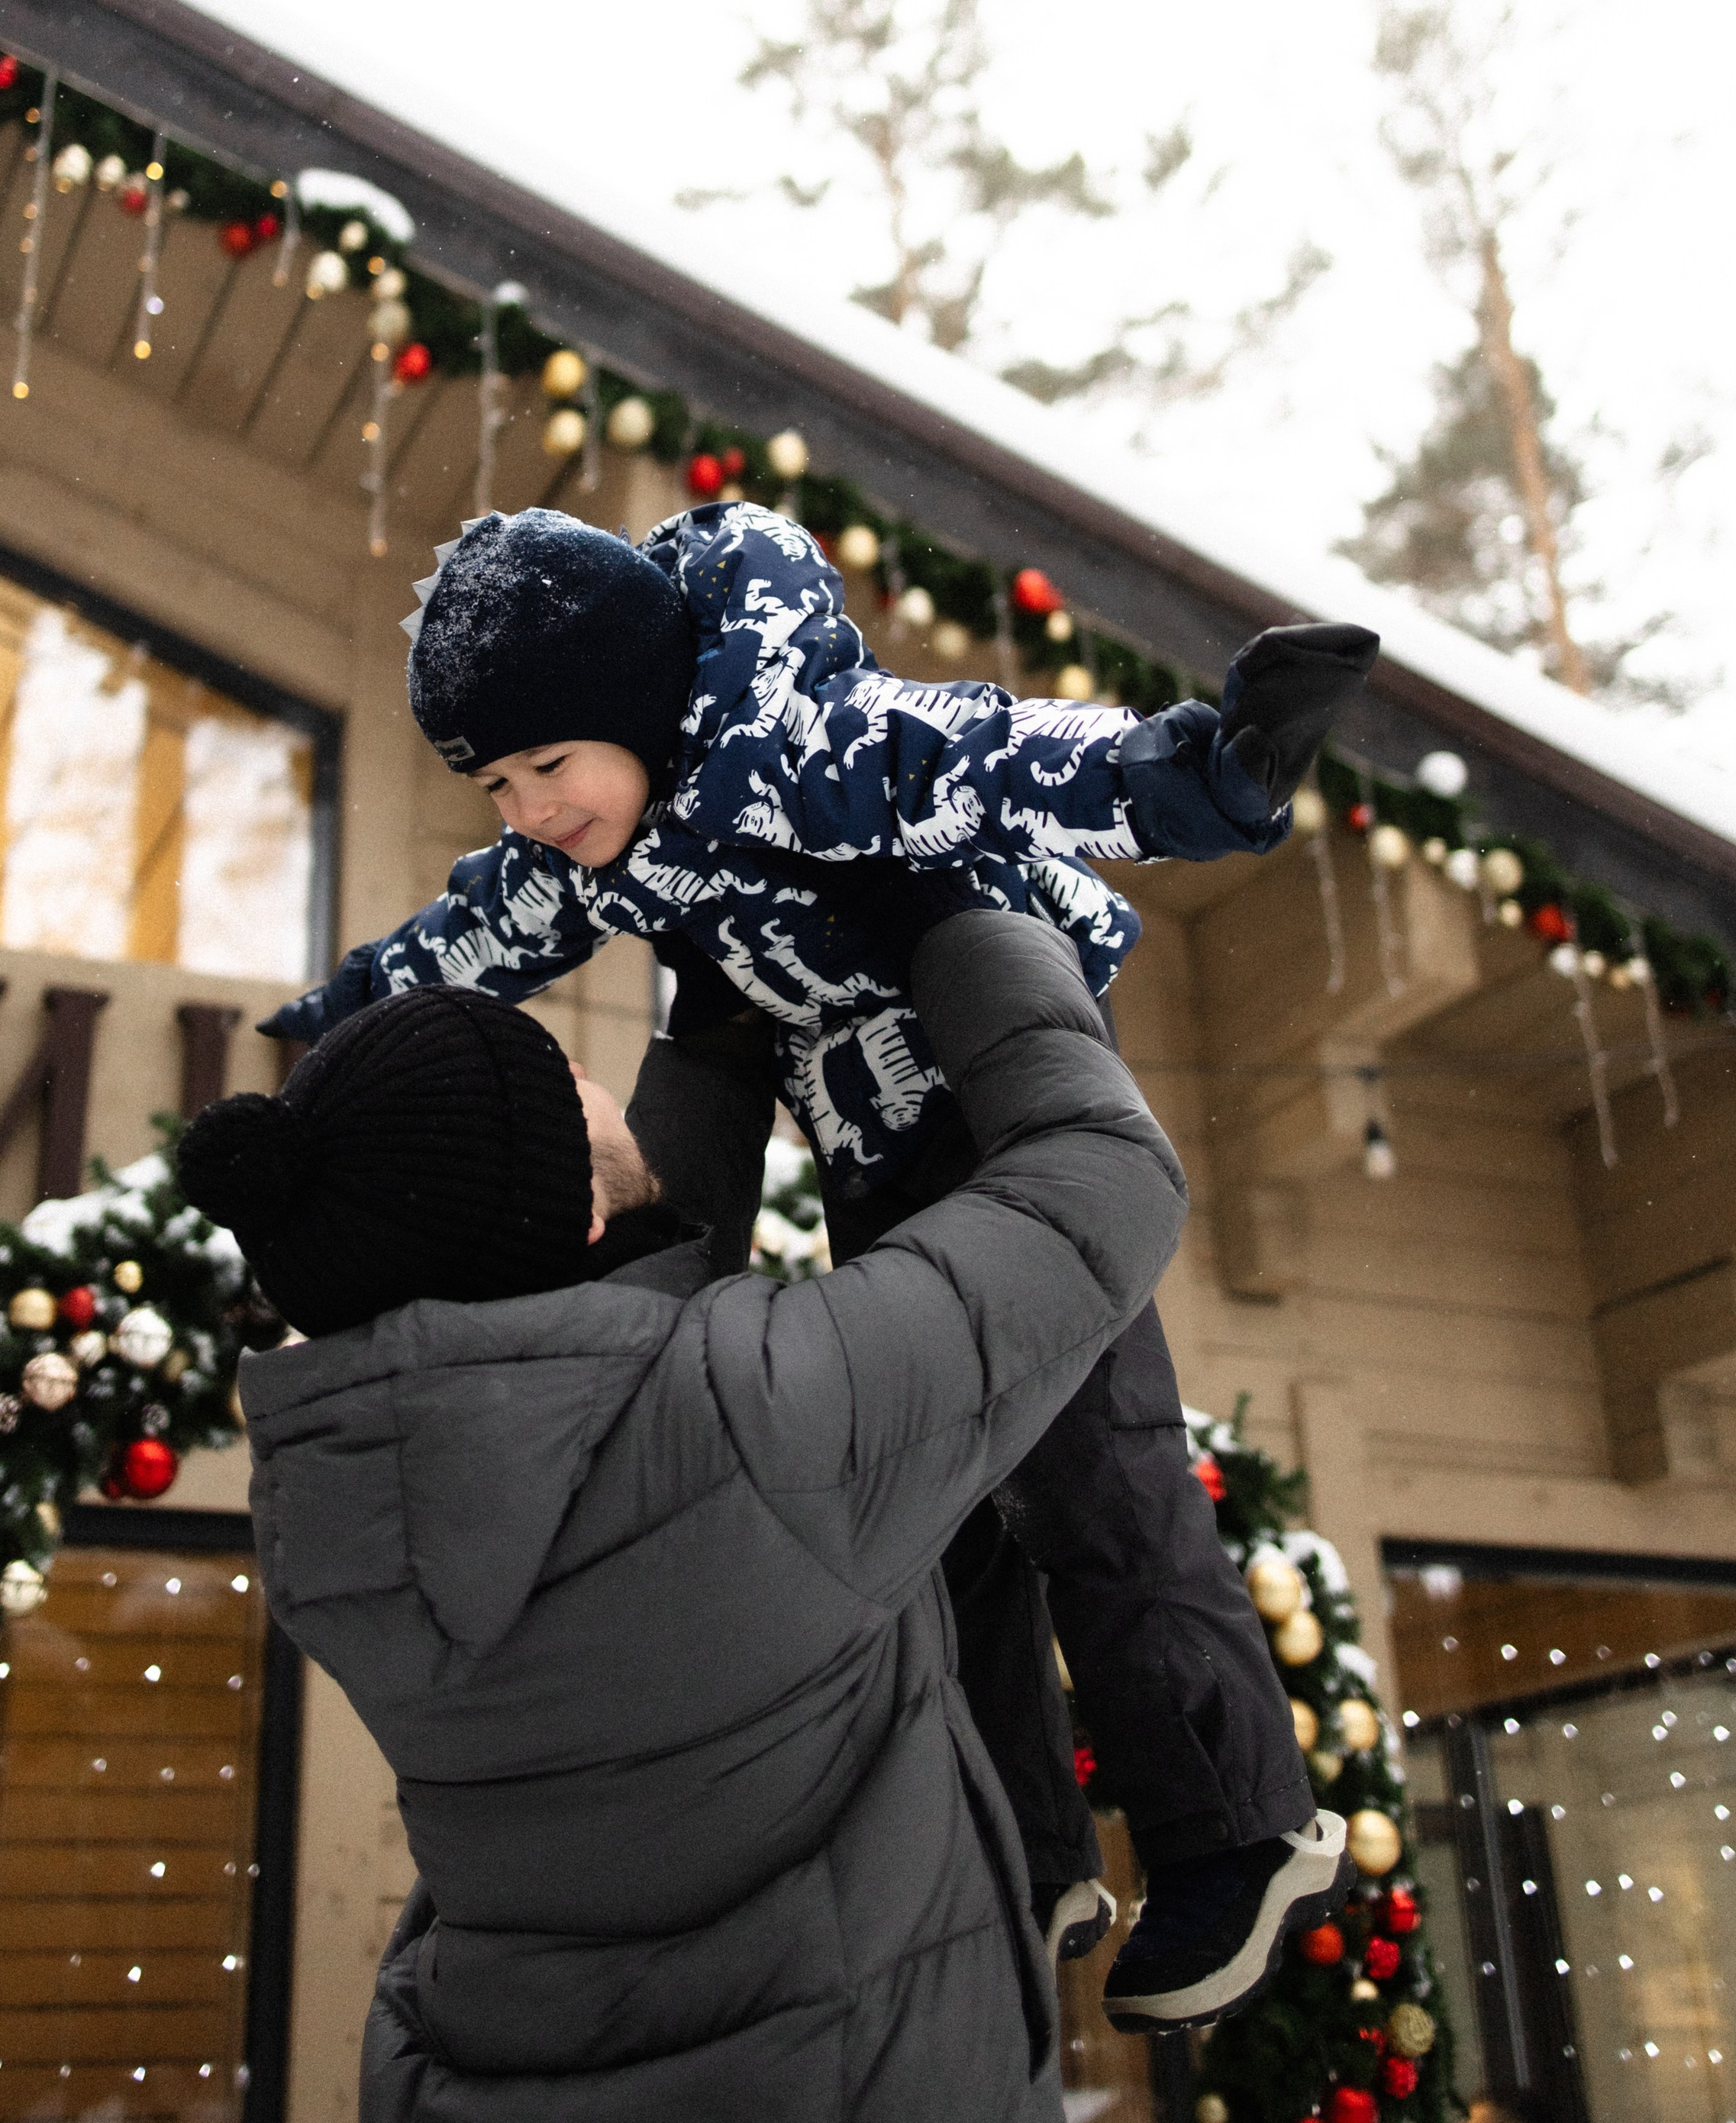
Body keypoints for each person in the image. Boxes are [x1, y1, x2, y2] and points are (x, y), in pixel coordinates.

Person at [263, 498, 1375, 2024]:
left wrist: (1203, 771)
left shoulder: (798, 741)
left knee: (1087, 1469)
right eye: (495, 780)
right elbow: (479, 926)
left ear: (637, 713)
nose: (523, 805)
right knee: (945, 1494)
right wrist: (329, 1032)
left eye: (545, 764)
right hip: (867, 1127)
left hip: (1001, 1083)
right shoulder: (595, 838)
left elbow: (1001, 756)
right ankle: (1032, 1844)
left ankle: (1238, 1830)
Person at [190, 904, 1349, 2121]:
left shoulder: (348, 1514)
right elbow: (1101, 1186)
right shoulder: (767, 1426)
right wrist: (970, 920)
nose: (591, 1077)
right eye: (569, 1086)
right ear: (573, 1213)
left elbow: (605, 1345)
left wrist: (709, 1046)